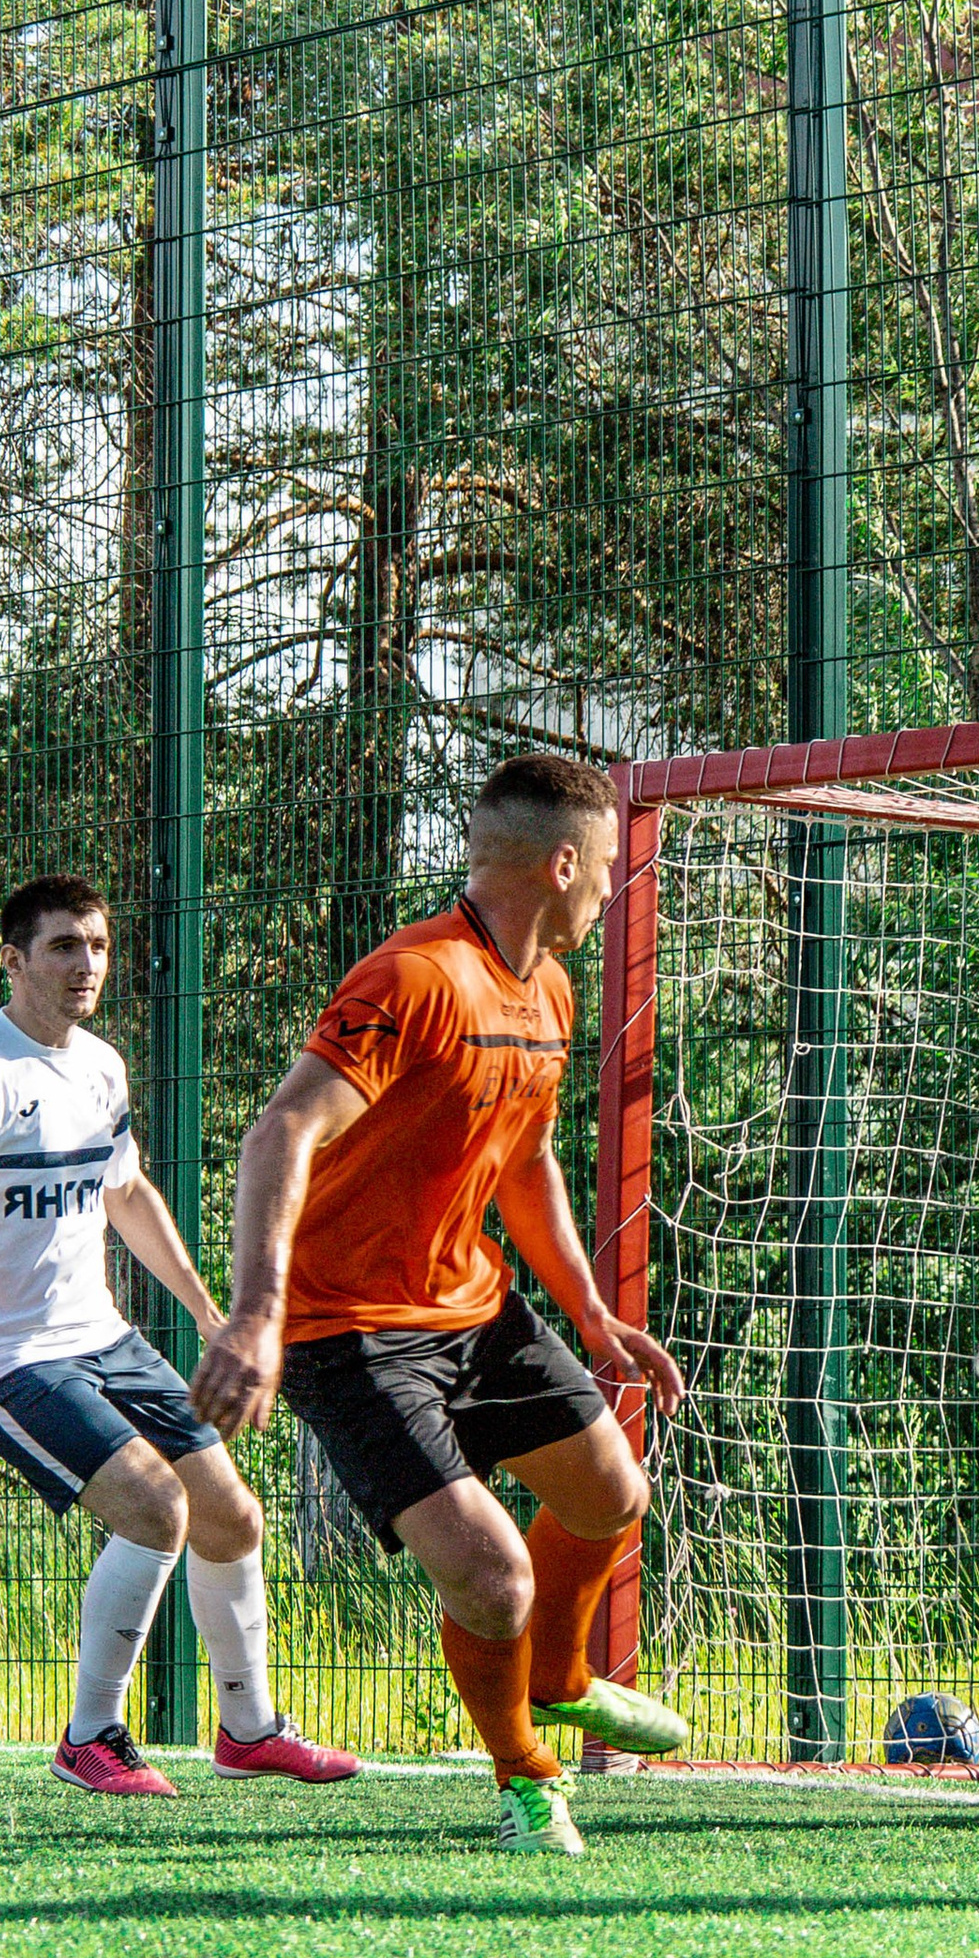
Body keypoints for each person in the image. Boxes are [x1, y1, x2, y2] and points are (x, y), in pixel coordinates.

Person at [189, 755, 689, 1860]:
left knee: (612, 1493)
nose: (612, 892)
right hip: (346, 1329)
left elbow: (528, 1165)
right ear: (562, 864)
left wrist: (593, 1318)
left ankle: (560, 1680)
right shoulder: (413, 978)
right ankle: (525, 1775)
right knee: (491, 1573)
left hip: (472, 1307)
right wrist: (254, 1315)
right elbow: (280, 1132)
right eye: (606, 869)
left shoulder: (549, 989)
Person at [0, 873, 357, 1799]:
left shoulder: (102, 1065)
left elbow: (128, 1192)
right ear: (13, 960)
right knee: (154, 1510)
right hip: (6, 1357)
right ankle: (89, 1736)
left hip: (103, 1335)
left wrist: (205, 1310)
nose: (86, 964)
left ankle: (249, 1731)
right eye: (64, 947)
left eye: (97, 946)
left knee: (232, 1516)